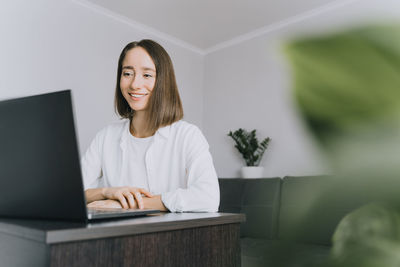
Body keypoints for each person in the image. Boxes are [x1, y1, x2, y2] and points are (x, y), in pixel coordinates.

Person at [81, 39, 219, 212]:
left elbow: (208, 198)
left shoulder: (188, 135)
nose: (135, 84)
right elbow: (72, 193)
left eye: (147, 75)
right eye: (127, 73)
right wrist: (107, 192)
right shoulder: (106, 136)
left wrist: (126, 205)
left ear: (163, 81)